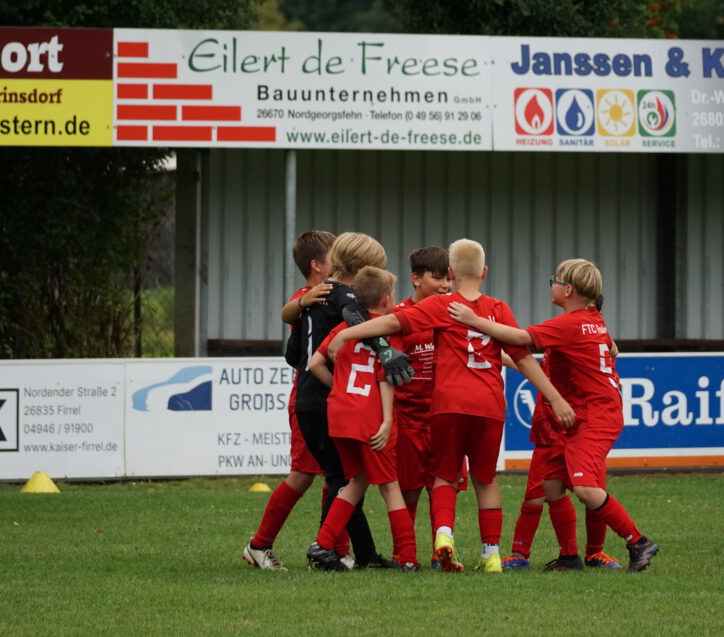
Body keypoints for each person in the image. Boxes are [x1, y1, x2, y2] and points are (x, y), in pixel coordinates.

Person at [328, 238, 573, 573]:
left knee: (443, 477)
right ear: (484, 272)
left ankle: (441, 538)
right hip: (476, 405)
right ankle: (488, 553)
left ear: (452, 273)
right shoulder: (498, 308)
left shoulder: (442, 306)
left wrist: (345, 333)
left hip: (446, 405)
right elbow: (520, 355)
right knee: (480, 481)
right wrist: (555, 395)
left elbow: (390, 324)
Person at [449, 258, 659, 573]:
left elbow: (519, 338)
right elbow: (606, 347)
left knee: (586, 488)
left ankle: (637, 542)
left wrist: (473, 319)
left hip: (594, 415)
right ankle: (569, 558)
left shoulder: (570, 323)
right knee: (551, 485)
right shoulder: (591, 319)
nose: (552, 285)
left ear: (568, 290)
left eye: (555, 280)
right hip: (589, 412)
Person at [289, 231, 413, 569]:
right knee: (384, 485)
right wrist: (387, 419)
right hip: (360, 414)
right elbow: (384, 375)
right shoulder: (370, 323)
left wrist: (339, 388)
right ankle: (404, 556)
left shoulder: (319, 302)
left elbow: (305, 359)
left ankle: (330, 547)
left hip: (329, 407)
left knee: (350, 481)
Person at [502, 297, 622, 571]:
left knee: (593, 491)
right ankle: (523, 554)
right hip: (551, 427)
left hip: (580, 428)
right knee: (538, 492)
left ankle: (594, 553)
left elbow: (610, 348)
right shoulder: (564, 333)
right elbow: (538, 368)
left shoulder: (585, 335)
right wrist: (502, 357)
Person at [243, 230, 334, 571]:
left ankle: (332, 549)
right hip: (309, 399)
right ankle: (259, 544)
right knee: (302, 474)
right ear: (317, 266)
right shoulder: (307, 297)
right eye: (335, 256)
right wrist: (302, 302)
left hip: (334, 397)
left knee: (336, 473)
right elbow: (288, 311)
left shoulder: (335, 293)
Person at [391, 246, 462, 568]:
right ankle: (404, 553)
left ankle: (440, 551)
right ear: (416, 279)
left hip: (443, 415)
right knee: (407, 489)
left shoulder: (456, 313)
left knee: (442, 487)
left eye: (448, 279)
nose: (445, 285)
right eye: (438, 278)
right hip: (406, 416)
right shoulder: (399, 315)